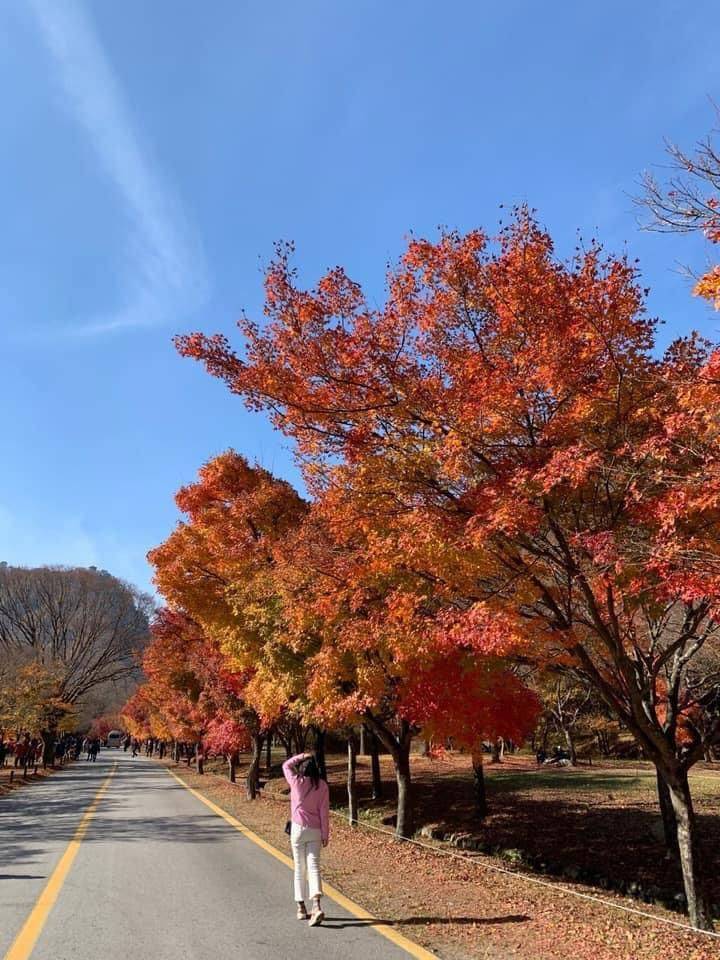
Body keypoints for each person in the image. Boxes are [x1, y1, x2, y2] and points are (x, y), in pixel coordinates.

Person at [282, 752, 329, 927]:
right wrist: (325, 834)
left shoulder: (296, 782)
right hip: (315, 830)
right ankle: (316, 906)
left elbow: (286, 765)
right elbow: (324, 813)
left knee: (299, 868)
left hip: (298, 829)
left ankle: (301, 907)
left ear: (301, 769)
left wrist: (302, 755)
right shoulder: (322, 786)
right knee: (314, 866)